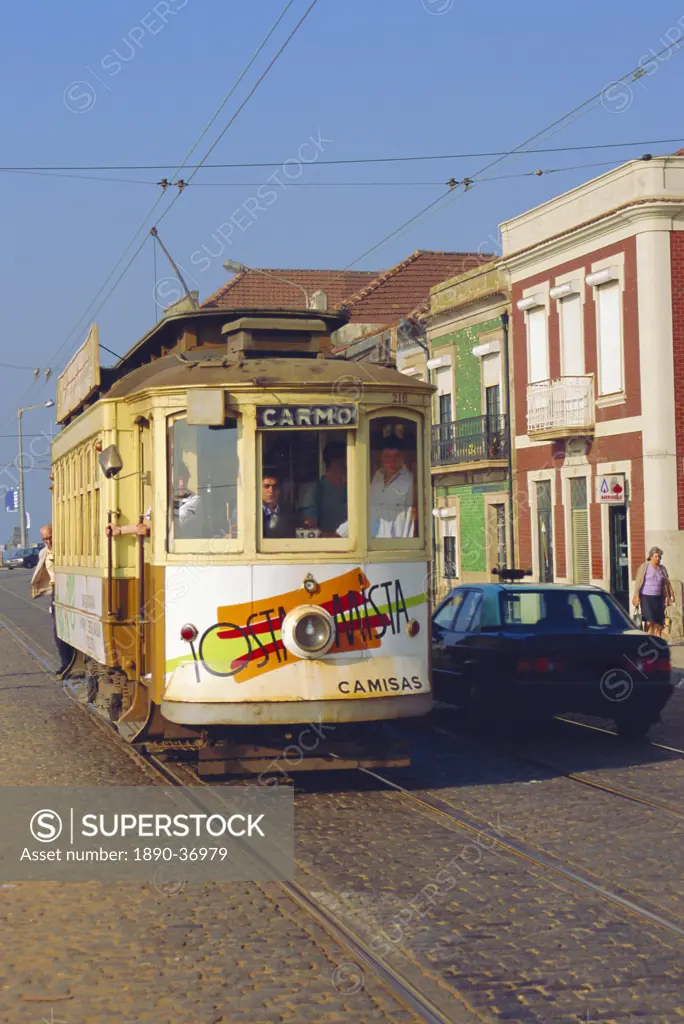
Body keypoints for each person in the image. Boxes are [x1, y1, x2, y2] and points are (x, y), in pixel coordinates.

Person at [31, 523, 76, 679]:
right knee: (59, 630)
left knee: (71, 627)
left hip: (69, 589)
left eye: (50, 537)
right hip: (56, 592)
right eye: (45, 539)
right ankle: (66, 663)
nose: (48, 541)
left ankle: (74, 663)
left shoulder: (65, 550)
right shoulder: (43, 552)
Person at [369, 434, 416, 538]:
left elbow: (413, 515)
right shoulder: (377, 477)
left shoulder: (409, 480)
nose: (392, 461)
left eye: (396, 456)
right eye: (387, 457)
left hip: (395, 544)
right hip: (372, 542)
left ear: (402, 457)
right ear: (381, 457)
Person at [303, 441, 348, 535]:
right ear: (336, 462)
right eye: (347, 459)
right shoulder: (315, 491)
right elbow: (310, 526)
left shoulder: (350, 490)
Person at [633, 546, 675, 637]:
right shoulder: (644, 567)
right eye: (656, 556)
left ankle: (658, 638)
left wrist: (669, 596)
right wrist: (636, 596)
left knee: (658, 621)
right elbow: (638, 582)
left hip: (659, 598)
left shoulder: (662, 568)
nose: (658, 558)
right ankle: (647, 638)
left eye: (659, 557)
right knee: (649, 621)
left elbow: (666, 583)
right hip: (646, 597)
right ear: (651, 556)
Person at [261, 472, 296, 539]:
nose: (271, 490)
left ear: (279, 490)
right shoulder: (253, 512)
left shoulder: (289, 512)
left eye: (274, 487)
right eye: (266, 486)